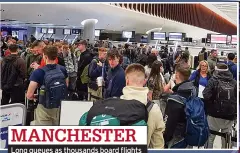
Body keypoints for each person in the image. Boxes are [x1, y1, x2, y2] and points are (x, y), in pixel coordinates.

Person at [121, 63, 165, 148]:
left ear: (126, 80)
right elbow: (158, 146)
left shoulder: (116, 106)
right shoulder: (154, 109)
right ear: (145, 81)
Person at [26, 46, 68, 125]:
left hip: (44, 107)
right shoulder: (62, 69)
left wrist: (36, 96)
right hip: (60, 105)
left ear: (45, 56)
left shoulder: (38, 72)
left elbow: (29, 95)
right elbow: (66, 85)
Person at [203, 63, 237, 148]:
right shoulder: (234, 82)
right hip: (229, 116)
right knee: (226, 139)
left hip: (214, 115)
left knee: (210, 137)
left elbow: (206, 95)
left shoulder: (213, 80)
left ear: (217, 70)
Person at [164, 63, 195, 148]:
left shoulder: (174, 100)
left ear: (176, 75)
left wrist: (164, 140)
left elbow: (168, 125)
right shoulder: (193, 90)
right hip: (189, 135)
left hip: (176, 139)